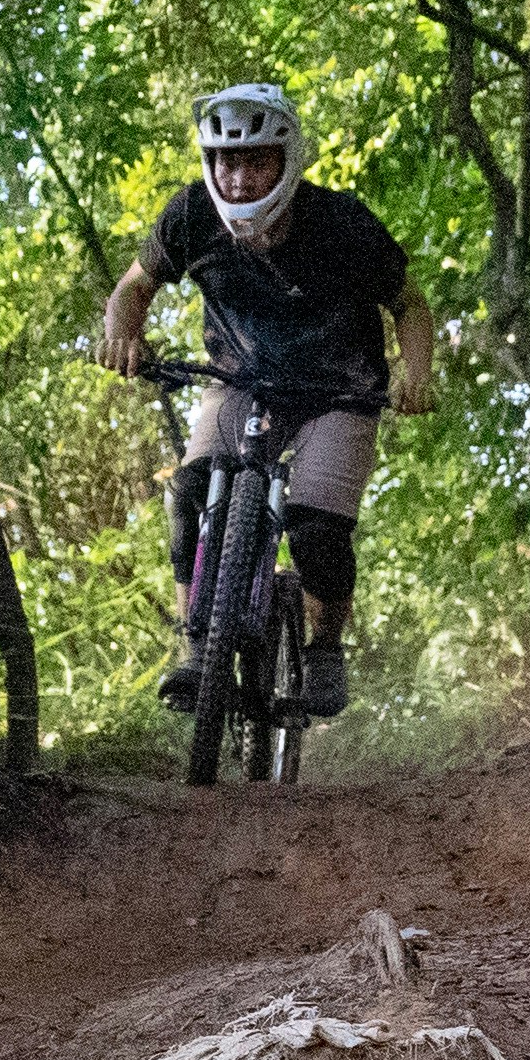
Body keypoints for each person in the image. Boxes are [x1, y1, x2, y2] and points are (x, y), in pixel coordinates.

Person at [91, 79, 437, 720]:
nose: (240, 178)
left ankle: (325, 646)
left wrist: (415, 375)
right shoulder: (192, 216)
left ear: (287, 158)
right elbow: (132, 289)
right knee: (191, 495)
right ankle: (196, 644)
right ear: (209, 163)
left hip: (338, 393)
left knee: (317, 534)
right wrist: (122, 339)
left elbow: (409, 302)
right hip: (239, 383)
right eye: (226, 160)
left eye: (255, 161)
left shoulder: (342, 224)